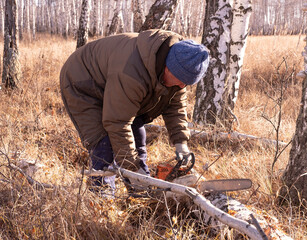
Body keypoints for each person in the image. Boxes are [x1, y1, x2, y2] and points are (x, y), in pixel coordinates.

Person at [60, 29, 209, 192]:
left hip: (115, 88)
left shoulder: (180, 67)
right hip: (83, 83)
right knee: (104, 144)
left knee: (138, 134)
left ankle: (140, 189)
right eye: (180, 81)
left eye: (185, 84)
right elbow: (117, 123)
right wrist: (132, 168)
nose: (181, 86)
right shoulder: (132, 71)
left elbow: (175, 108)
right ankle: (102, 197)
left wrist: (181, 142)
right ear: (168, 67)